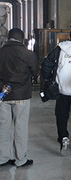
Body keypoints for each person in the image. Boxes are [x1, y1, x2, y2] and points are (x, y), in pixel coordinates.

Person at [0, 28, 39, 167]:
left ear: (8, 38)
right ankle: (20, 159)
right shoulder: (28, 54)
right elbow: (35, 73)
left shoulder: (1, 52)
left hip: (3, 96)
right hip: (22, 96)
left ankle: (2, 158)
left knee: (3, 127)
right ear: (22, 39)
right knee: (20, 127)